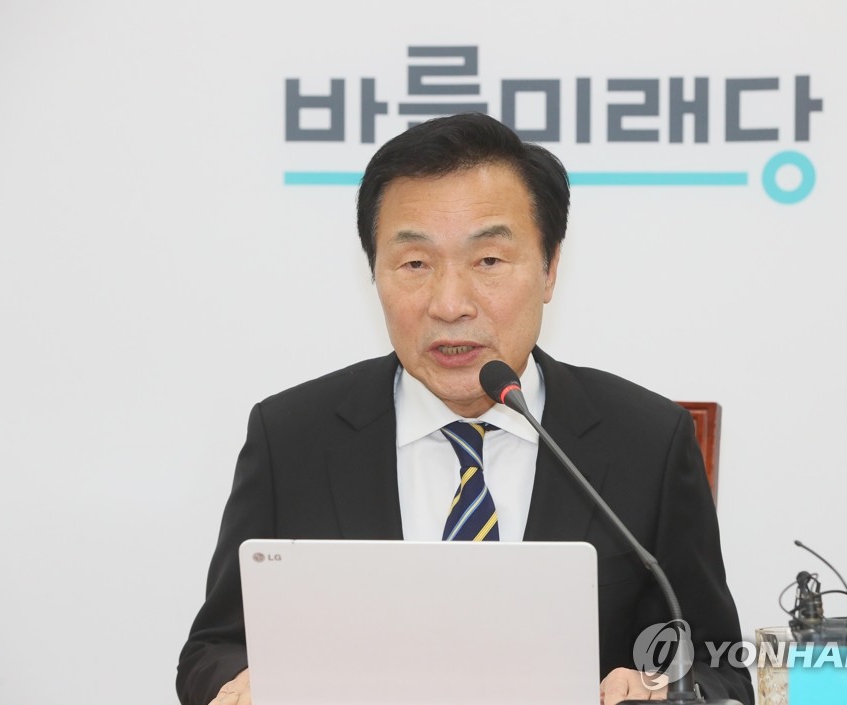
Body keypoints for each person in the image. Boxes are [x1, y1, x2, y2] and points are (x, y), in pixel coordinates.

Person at [177, 113, 753, 705]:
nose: (450, 304)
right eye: (415, 264)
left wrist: (664, 689)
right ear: (374, 272)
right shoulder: (292, 437)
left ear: (550, 268)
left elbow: (719, 667)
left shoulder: (647, 442)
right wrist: (240, 685)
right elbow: (215, 648)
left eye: (489, 262)